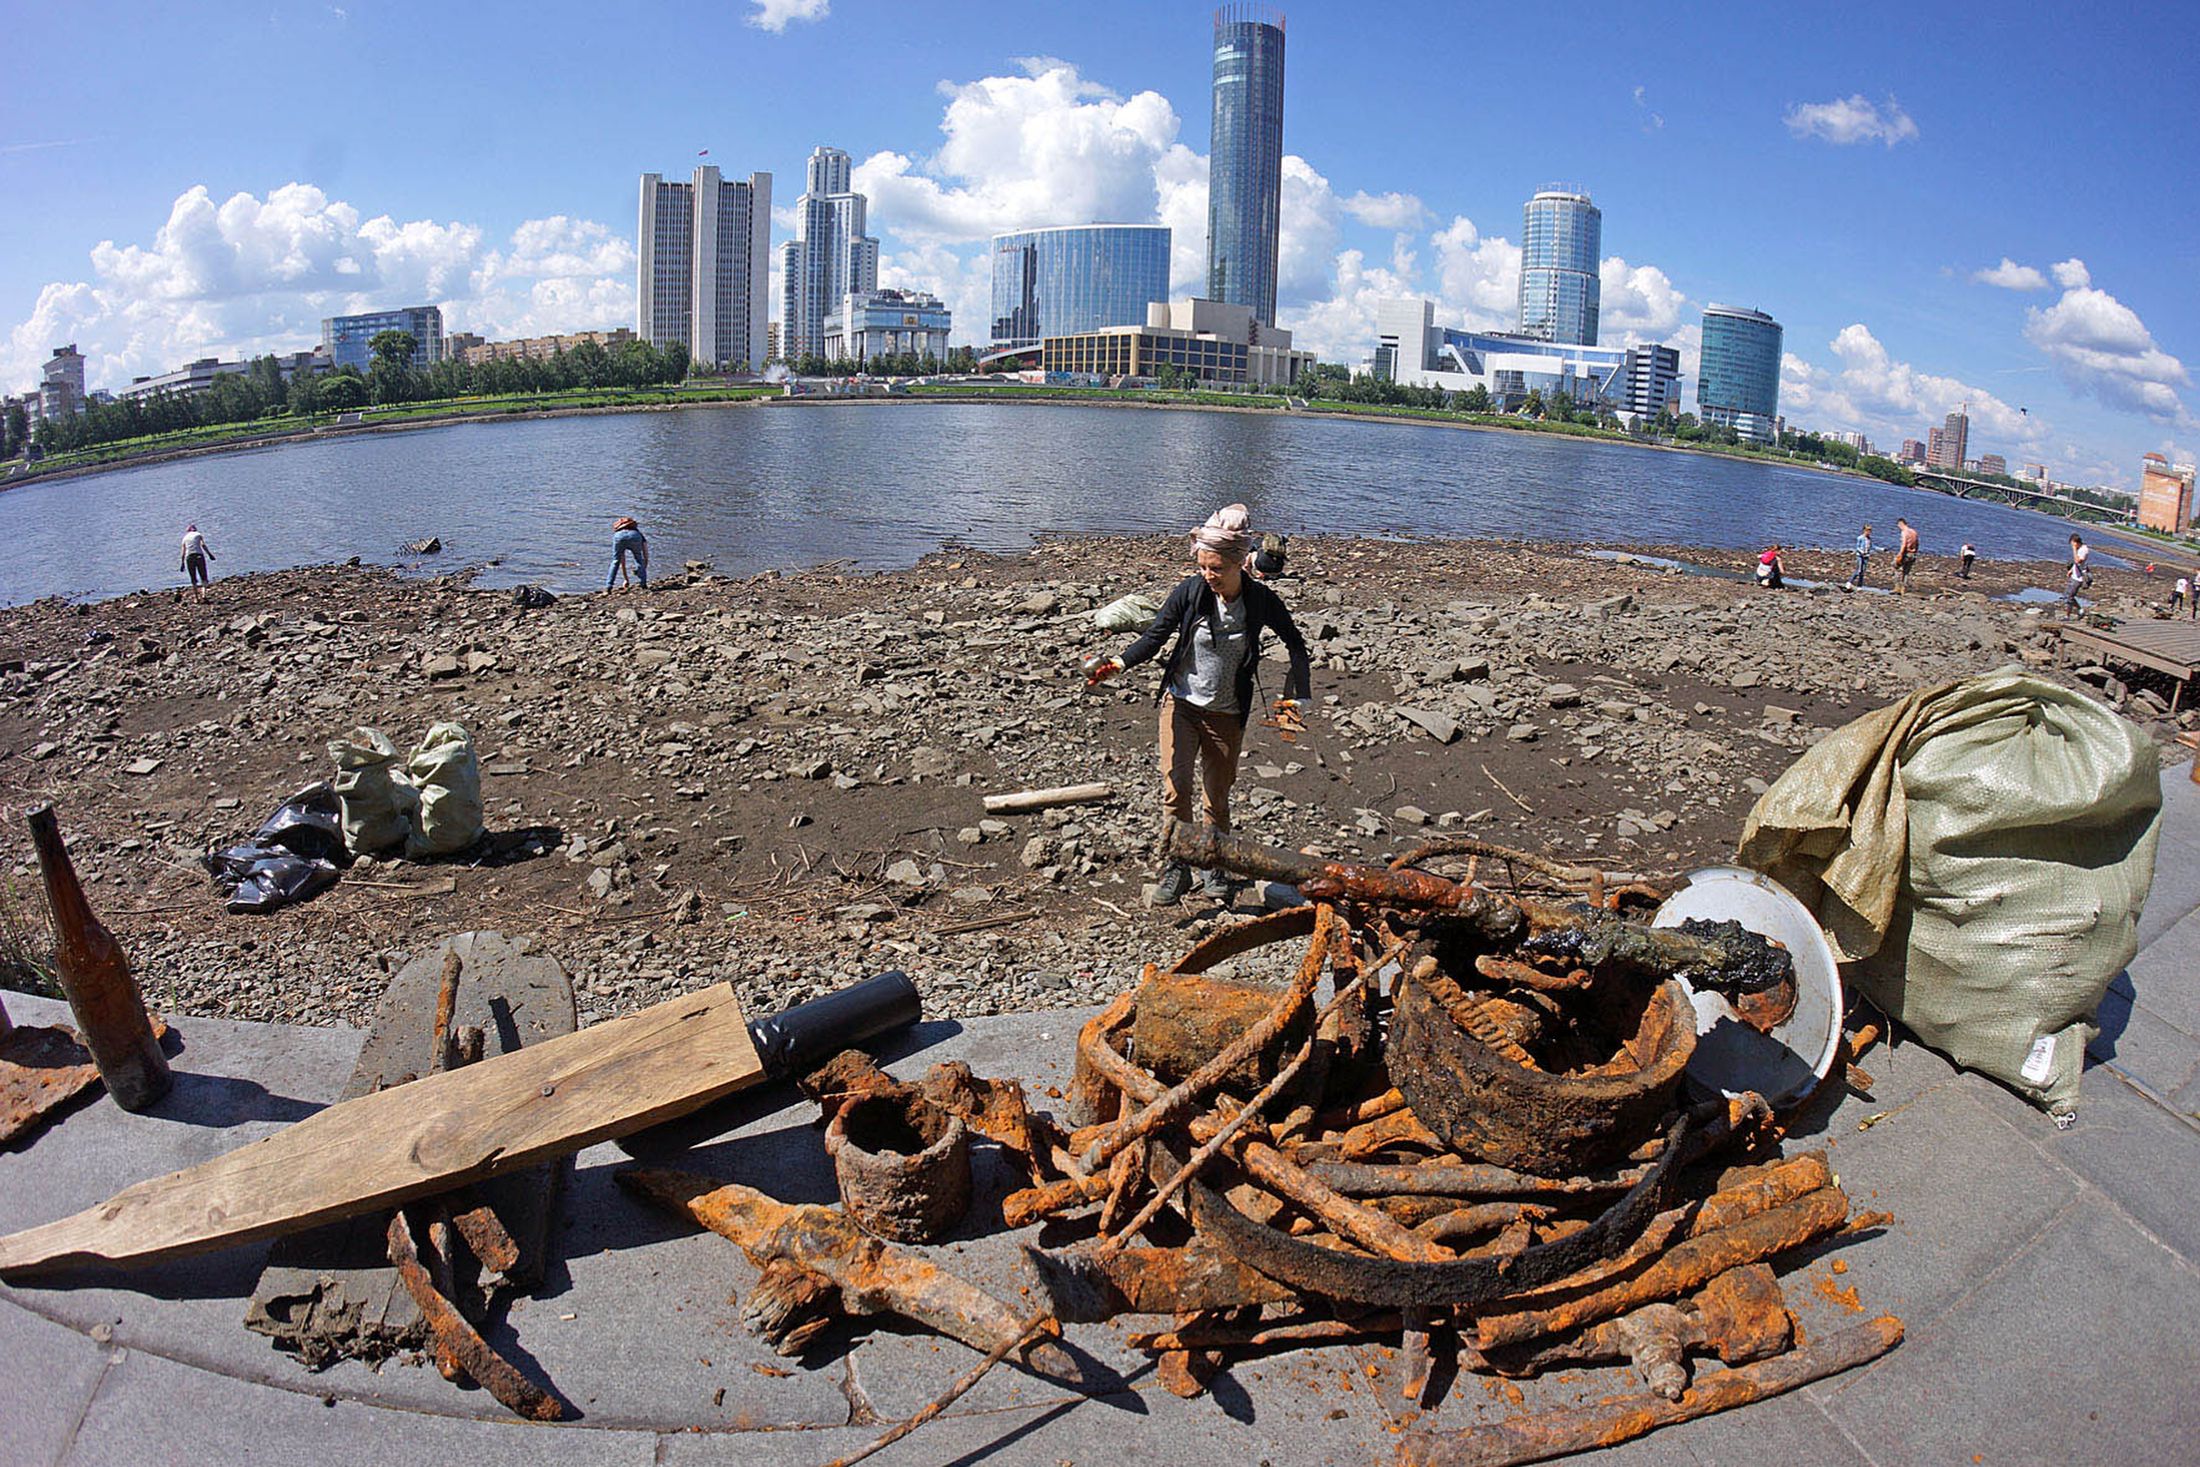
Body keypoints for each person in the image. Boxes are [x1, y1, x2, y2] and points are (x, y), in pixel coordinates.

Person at [1086, 504, 1311, 907]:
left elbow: (1296, 643)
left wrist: (1297, 697)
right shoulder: (1190, 591)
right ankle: (1176, 865)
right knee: (1176, 789)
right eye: (1203, 566)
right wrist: (1118, 663)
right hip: (1182, 704)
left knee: (1217, 795)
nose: (1208, 575)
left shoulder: (1260, 601)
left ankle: (1214, 863)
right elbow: (1155, 635)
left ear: (1240, 564)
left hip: (1227, 712)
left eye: (1216, 569)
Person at [607, 516, 648, 590]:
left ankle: (609, 586)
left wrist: (626, 579)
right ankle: (643, 584)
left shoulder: (618, 533)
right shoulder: (637, 533)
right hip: (635, 537)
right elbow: (645, 553)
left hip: (619, 537)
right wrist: (644, 567)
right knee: (638, 559)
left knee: (615, 561)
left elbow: (622, 561)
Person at [2062, 533, 2091, 619]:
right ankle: (2077, 611)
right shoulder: (2080, 549)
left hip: (2078, 578)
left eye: (2072, 544)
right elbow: (2076, 564)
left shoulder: (2084, 550)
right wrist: (2071, 570)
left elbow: (2078, 561)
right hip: (2074, 576)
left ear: (2076, 542)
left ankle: (2072, 613)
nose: (2072, 546)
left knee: (2069, 596)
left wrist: (2074, 549)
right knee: (2067, 595)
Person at [179, 524, 214, 592]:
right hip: (199, 556)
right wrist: (210, 555)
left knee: (193, 578)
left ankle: (196, 598)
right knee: (203, 576)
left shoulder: (185, 538)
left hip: (189, 557)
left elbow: (183, 552)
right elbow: (203, 545)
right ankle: (204, 595)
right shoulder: (198, 534)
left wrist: (182, 563)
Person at [1893, 518, 1920, 594]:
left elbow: (1904, 544)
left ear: (1900, 524)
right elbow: (1917, 543)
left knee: (1896, 567)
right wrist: (1915, 552)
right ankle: (1903, 589)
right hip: (1913, 554)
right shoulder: (1914, 532)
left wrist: (1900, 554)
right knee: (1906, 572)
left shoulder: (1904, 532)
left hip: (1906, 553)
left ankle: (1897, 587)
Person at [1848, 524, 1873, 588]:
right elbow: (1857, 547)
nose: (1869, 532)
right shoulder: (1860, 538)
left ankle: (1859, 586)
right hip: (1860, 556)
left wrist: (1882, 549)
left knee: (1862, 572)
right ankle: (1849, 582)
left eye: (1870, 531)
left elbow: (1872, 546)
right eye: (1867, 530)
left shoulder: (1869, 539)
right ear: (1864, 530)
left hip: (1866, 556)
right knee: (1859, 570)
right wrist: (1861, 552)